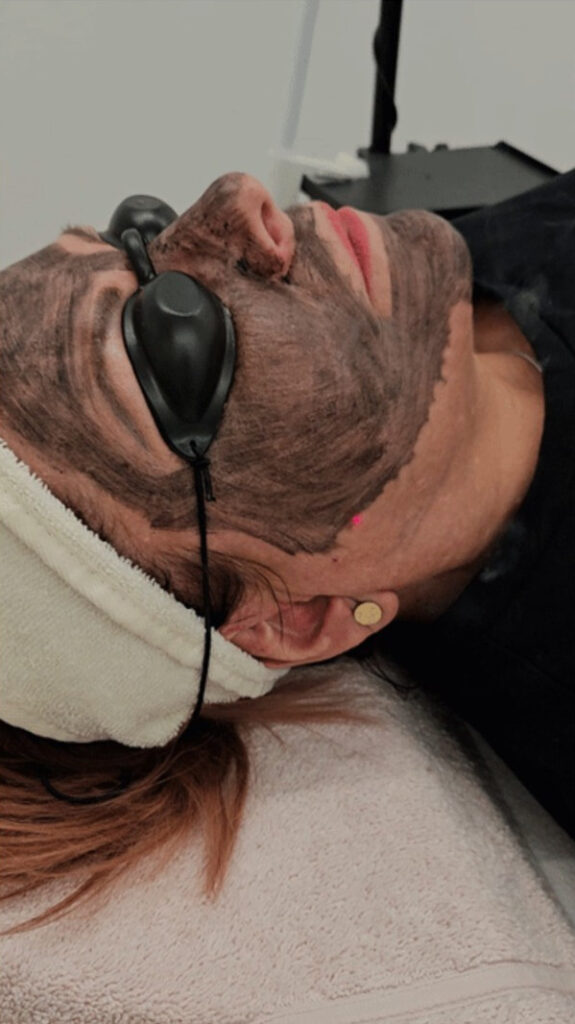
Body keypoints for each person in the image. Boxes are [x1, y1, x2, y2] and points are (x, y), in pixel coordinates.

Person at [0, 170, 573, 930]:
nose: (236, 197)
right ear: (292, 622)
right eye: (179, 339)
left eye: (138, 233)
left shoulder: (424, 294)